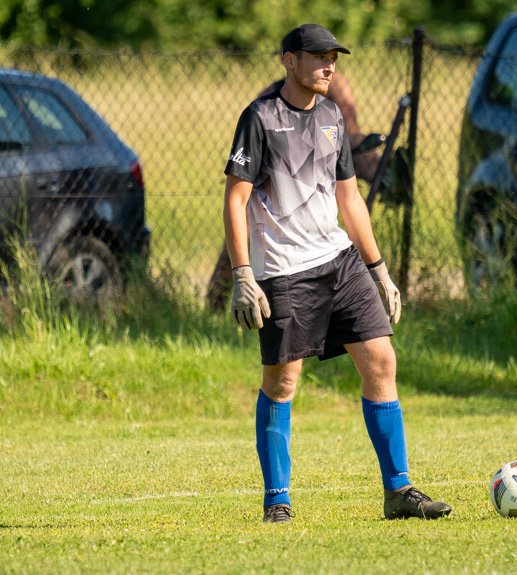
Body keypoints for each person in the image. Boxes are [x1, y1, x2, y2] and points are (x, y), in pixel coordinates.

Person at [222, 23, 452, 523]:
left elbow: (349, 197)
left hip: (341, 262)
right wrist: (244, 274)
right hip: (284, 271)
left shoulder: (330, 116)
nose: (330, 66)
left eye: (335, 57)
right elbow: (235, 199)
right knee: (283, 382)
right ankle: (277, 500)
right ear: (290, 61)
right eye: (320, 56)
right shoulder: (259, 118)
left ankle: (398, 491)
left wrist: (380, 270)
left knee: (381, 361)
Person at [207, 65, 382, 312]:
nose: (326, 66)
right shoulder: (267, 100)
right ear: (290, 62)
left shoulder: (335, 87)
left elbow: (349, 135)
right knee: (240, 234)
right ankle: (214, 306)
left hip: (316, 178)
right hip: (270, 182)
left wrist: (375, 168)